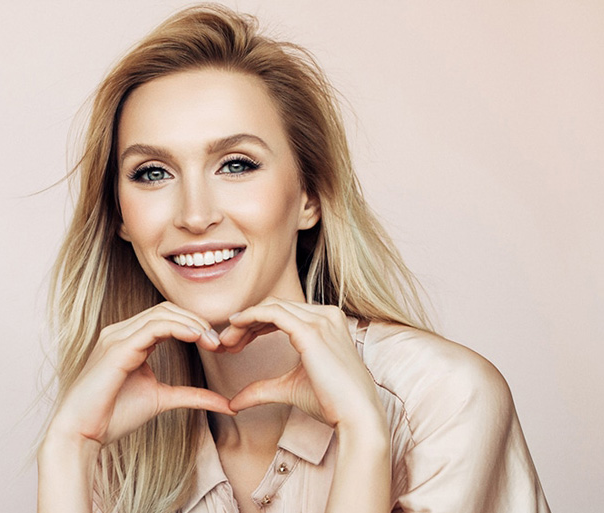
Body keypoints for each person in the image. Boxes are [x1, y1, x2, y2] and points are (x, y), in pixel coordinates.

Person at [37, 4, 551, 512]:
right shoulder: (119, 440)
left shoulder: (442, 400)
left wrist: (363, 436)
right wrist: (67, 447)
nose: (195, 215)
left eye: (236, 164)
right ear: (121, 216)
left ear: (309, 196)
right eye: (152, 172)